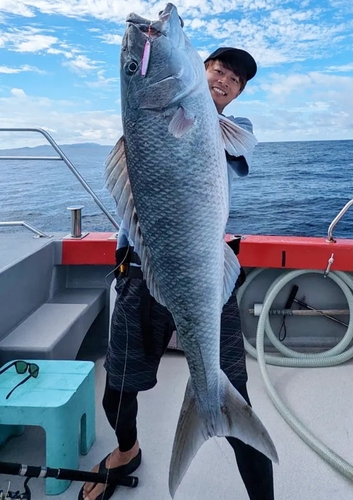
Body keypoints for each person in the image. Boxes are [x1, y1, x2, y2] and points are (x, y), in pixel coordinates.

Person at [79, 47, 274, 500]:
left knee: (233, 390)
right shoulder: (152, 121)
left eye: (236, 80)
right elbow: (149, 132)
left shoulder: (234, 130)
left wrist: (188, 112)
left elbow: (224, 145)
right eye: (218, 69)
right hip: (138, 271)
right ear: (198, 70)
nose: (224, 80)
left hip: (206, 275)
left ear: (239, 94)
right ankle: (127, 450)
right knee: (117, 392)